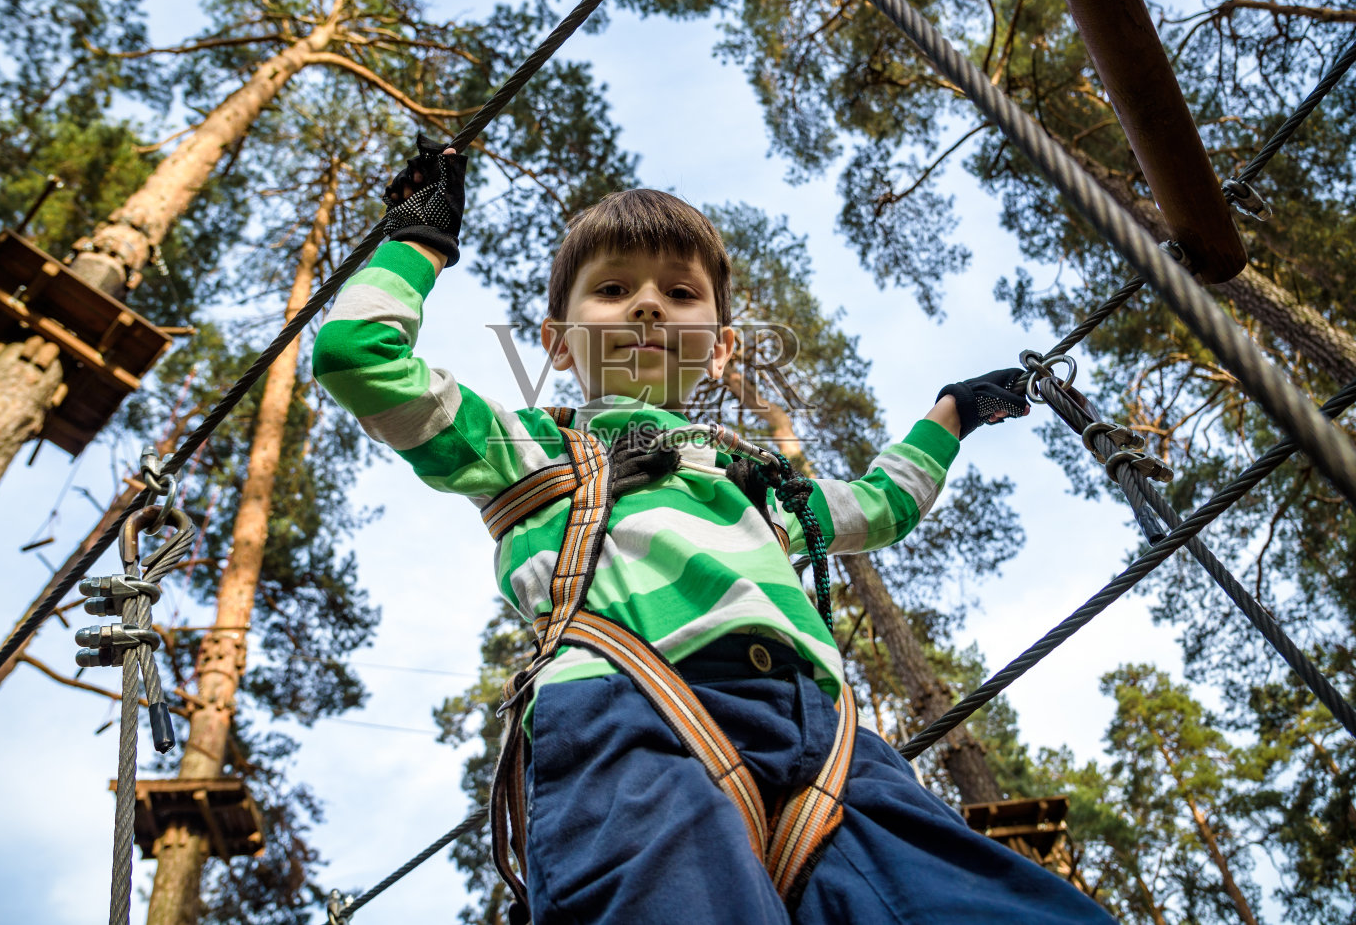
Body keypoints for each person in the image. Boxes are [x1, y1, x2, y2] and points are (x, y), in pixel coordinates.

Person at [313, 138, 1114, 924]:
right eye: (614, 289)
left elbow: (882, 504)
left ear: (723, 348)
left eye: (682, 294)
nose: (650, 305)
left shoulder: (757, 488)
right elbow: (359, 356)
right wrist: (420, 237)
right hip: (624, 723)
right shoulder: (527, 448)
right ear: (558, 342)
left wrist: (952, 413)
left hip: (827, 748)